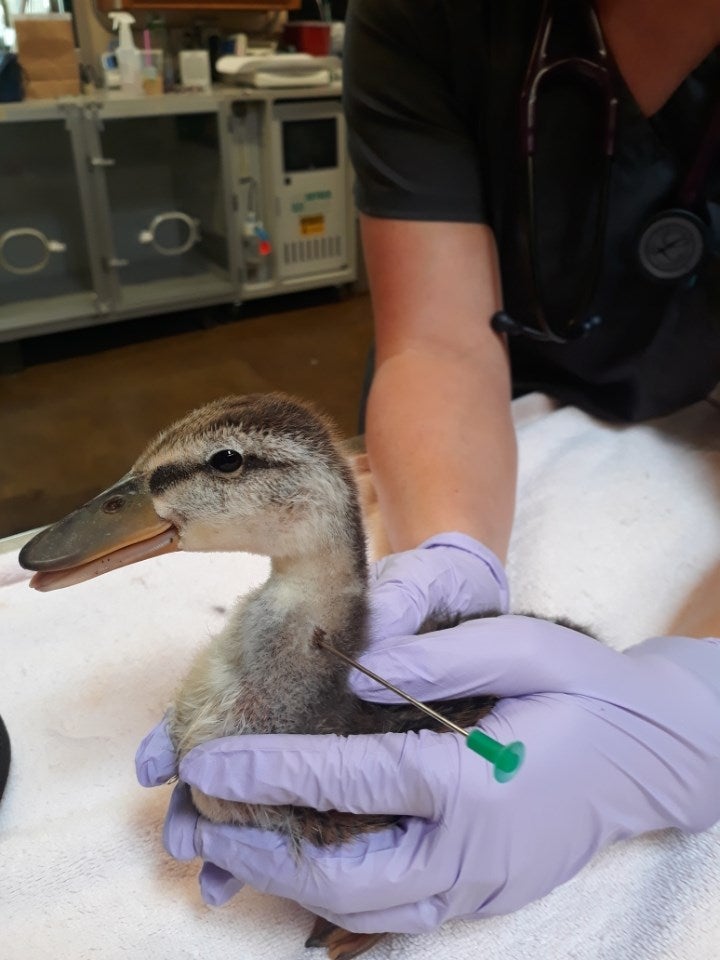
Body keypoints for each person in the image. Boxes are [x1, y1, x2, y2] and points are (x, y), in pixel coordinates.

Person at [136, 0, 720, 938]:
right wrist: (452, 552)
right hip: (485, 398)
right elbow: (439, 342)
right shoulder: (427, 15)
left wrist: (696, 704)